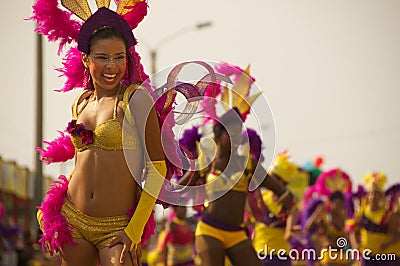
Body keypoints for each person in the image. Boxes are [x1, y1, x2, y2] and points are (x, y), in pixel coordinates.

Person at [33, 3, 167, 266]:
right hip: (73, 220)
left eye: (119, 57)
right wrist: (51, 211)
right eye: (102, 57)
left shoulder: (135, 100)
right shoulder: (81, 103)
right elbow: (82, 160)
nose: (112, 66)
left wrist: (134, 229)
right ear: (86, 58)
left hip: (115, 229)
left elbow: (157, 168)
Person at [180, 108, 294, 266]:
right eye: (230, 134)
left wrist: (287, 197)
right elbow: (178, 189)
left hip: (237, 234)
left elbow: (282, 191)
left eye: (238, 134)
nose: (235, 138)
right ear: (218, 135)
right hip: (209, 231)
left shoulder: (249, 164)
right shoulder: (206, 162)